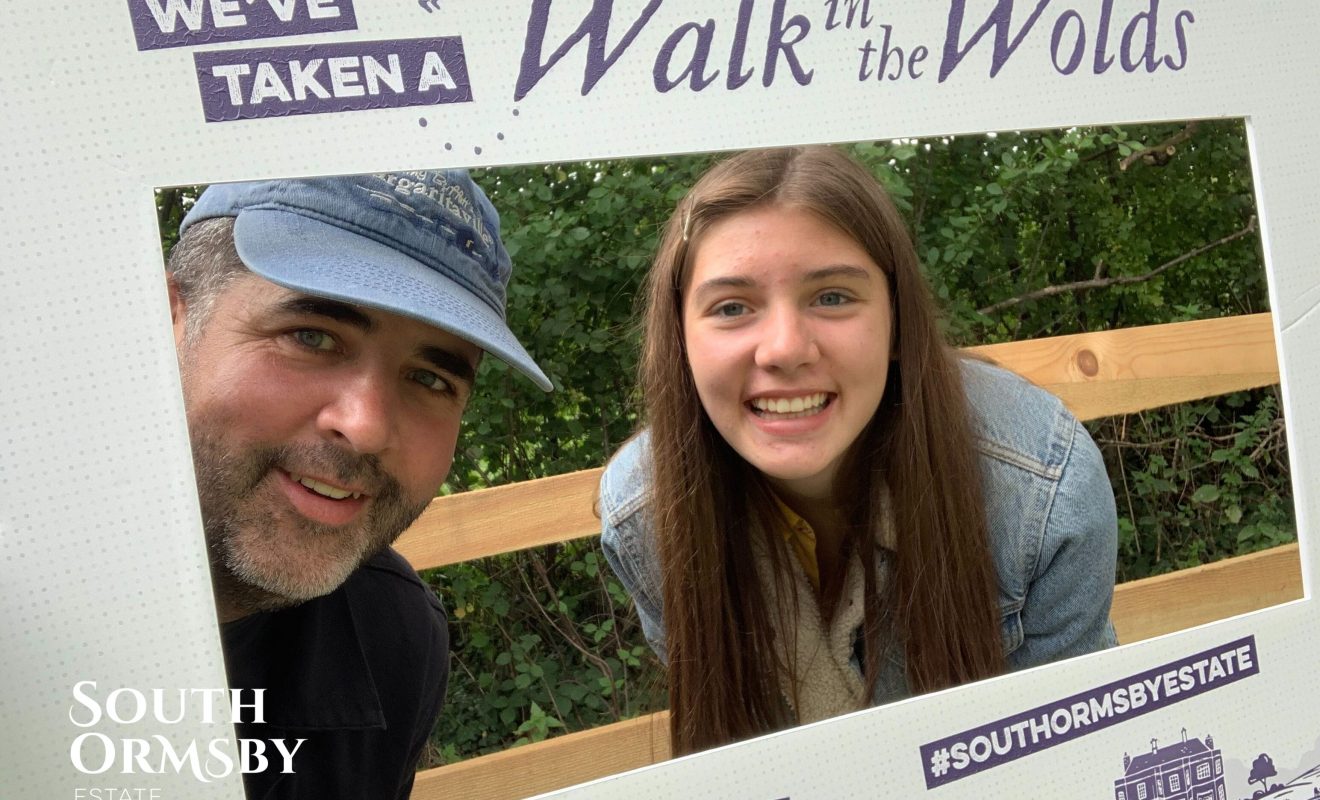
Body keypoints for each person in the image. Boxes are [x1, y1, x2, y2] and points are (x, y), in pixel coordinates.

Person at [599, 146, 1118, 755]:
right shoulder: (647, 517)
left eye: (833, 297)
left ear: (898, 324)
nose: (784, 350)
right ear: (680, 340)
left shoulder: (1042, 490)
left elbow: (1079, 765)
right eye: (732, 307)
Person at [167, 170, 551, 798]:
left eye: (431, 378)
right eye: (312, 336)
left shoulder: (393, 636)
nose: (368, 426)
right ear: (170, 321)